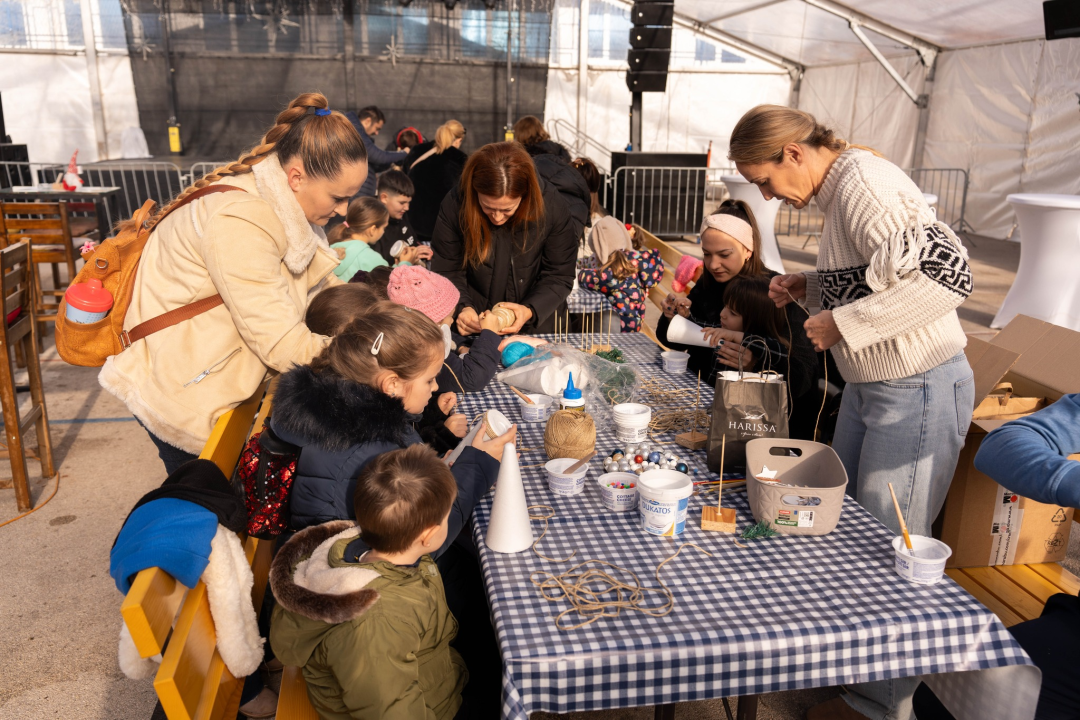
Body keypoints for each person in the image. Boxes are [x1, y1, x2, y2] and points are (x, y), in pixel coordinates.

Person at [729, 105, 975, 720]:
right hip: (879, 387)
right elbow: (886, 277)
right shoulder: (842, 192)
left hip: (915, 387)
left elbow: (949, 276)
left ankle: (881, 704)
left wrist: (842, 321)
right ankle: (858, 680)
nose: (767, 195)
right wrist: (814, 288)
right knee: (860, 538)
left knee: (894, 549)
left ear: (793, 152)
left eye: (763, 180)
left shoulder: (864, 183)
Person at [99, 92, 366, 477]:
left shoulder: (286, 203)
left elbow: (324, 288)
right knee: (205, 508)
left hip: (212, 374)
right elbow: (282, 344)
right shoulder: (241, 220)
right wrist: (370, 360)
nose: (344, 211)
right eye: (339, 198)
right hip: (183, 389)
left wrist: (377, 327)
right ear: (296, 177)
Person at [269, 445, 473, 720]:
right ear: (429, 535)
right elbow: (389, 709)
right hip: (427, 704)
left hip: (428, 667)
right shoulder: (377, 623)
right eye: (447, 515)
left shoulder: (369, 545)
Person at [430, 141, 578, 335]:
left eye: (507, 209)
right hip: (474, 326)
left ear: (524, 196)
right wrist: (463, 307)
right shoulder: (456, 203)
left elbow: (559, 274)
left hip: (537, 326)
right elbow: (447, 269)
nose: (498, 217)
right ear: (475, 193)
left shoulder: (551, 205)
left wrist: (530, 310)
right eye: (488, 207)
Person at [408, 120, 468, 245]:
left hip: (413, 227)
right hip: (443, 230)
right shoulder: (459, 160)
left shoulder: (417, 152)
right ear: (458, 140)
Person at [578, 247, 663, 333]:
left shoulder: (615, 277)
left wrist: (580, 272)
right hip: (636, 322)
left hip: (621, 323)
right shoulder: (636, 271)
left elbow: (589, 278)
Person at [372, 170, 431, 266]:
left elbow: (412, 239)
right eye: (402, 203)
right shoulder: (372, 225)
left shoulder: (400, 214)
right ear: (384, 198)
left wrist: (420, 250)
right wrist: (408, 256)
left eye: (408, 202)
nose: (407, 208)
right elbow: (379, 268)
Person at [346, 106, 407, 198]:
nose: (377, 133)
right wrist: (404, 153)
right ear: (368, 121)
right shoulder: (353, 131)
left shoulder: (359, 135)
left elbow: (376, 164)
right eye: (377, 128)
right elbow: (377, 156)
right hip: (354, 198)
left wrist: (393, 160)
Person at [326, 197, 389, 281]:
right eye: (384, 228)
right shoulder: (373, 260)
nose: (383, 232)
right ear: (373, 229)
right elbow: (390, 284)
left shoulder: (330, 247)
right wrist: (405, 262)